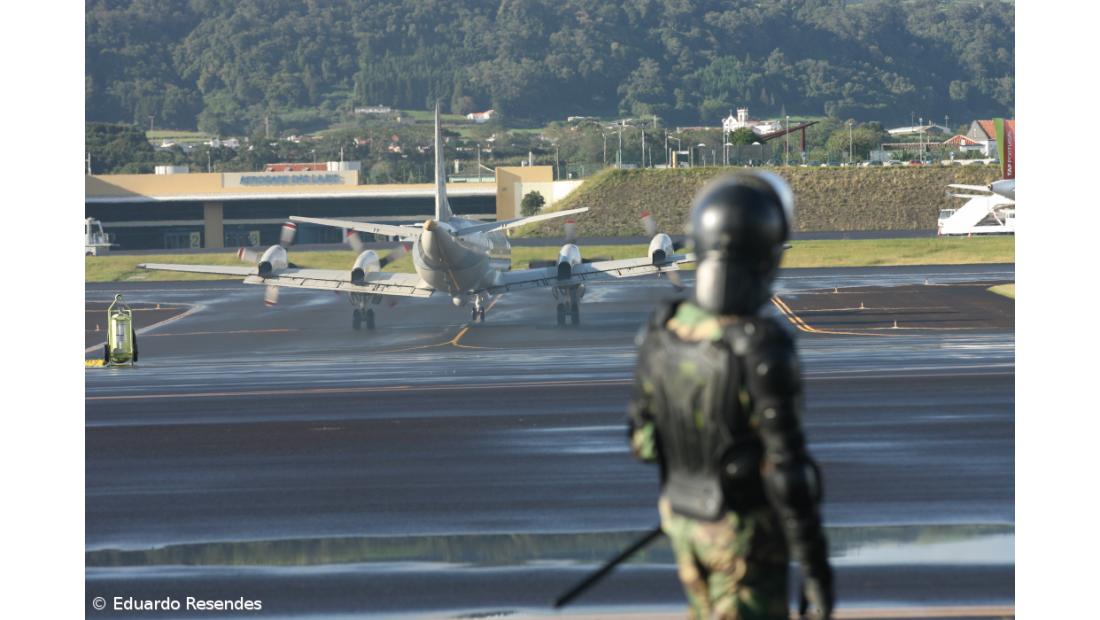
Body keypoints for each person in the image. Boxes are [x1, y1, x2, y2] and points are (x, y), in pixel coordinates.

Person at [627, 172, 834, 620]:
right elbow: (789, 474)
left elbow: (642, 443)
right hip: (743, 540)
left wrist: (700, 461)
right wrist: (816, 566)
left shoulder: (661, 329)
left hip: (684, 525)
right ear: (766, 253)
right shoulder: (761, 345)